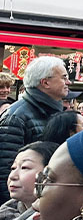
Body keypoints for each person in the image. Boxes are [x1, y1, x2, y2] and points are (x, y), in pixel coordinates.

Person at [0, 56, 69, 201]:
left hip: (47, 198)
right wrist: (12, 210)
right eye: (63, 78)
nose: (68, 82)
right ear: (45, 82)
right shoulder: (16, 116)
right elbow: (5, 169)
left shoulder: (55, 112)